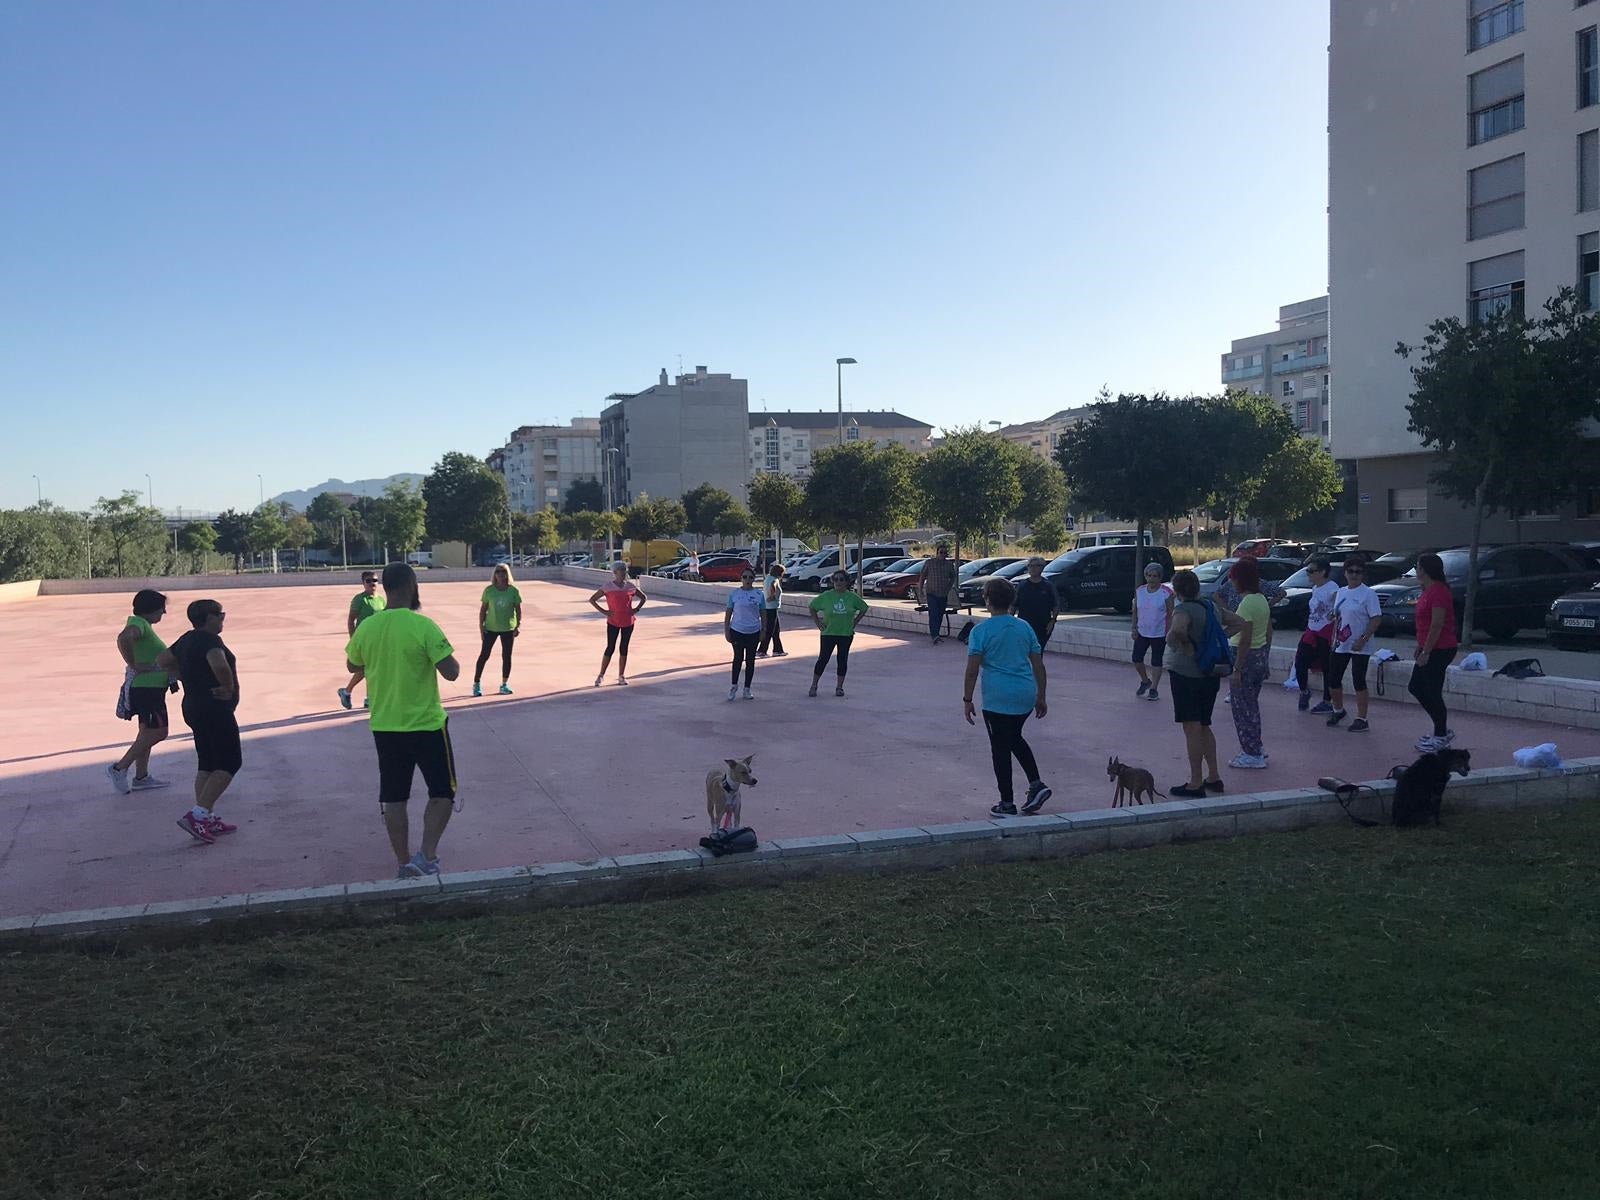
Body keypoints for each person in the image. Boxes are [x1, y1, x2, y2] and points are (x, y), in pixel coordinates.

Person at [345, 562, 462, 879]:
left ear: (384, 587)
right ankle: (428, 855)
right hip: (427, 725)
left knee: (394, 797)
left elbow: (351, 662)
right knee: (442, 791)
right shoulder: (423, 626)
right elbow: (451, 672)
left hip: (385, 726)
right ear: (412, 586)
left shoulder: (368, 627)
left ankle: (403, 861)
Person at [965, 576, 1052, 817]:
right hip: (1024, 693)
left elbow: (973, 669)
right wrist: (1041, 695)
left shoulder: (981, 631)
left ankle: (1007, 802)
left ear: (988, 601)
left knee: (1000, 748)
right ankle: (1036, 785)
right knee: (1014, 737)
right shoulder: (1024, 627)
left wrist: (967, 699)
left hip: (997, 698)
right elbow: (1038, 665)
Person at [157, 599, 241, 843]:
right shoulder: (209, 640)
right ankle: (199, 814)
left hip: (193, 705)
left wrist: (188, 676)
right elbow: (219, 664)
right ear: (209, 617)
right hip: (214, 708)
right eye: (220, 615)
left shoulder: (187, 638)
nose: (223, 618)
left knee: (208, 762)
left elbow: (163, 660)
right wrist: (227, 686)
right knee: (230, 761)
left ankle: (206, 816)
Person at [1165, 569, 1247, 799]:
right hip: (1210, 674)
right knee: (1204, 725)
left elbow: (1178, 631)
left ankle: (1194, 782)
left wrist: (1188, 647)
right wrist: (1216, 639)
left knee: (1191, 728)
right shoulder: (1211, 607)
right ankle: (1214, 776)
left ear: (1178, 590)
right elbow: (1239, 623)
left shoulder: (1183, 609)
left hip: (1186, 674)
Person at [107, 589, 174, 794]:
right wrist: (133, 663)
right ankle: (120, 768)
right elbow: (123, 638)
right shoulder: (138, 624)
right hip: (148, 689)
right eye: (162, 609)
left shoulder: (142, 624)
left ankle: (141, 777)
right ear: (151, 609)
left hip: (149, 688)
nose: (163, 613)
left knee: (146, 733)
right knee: (159, 731)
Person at [1225, 556, 1273, 769]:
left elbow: (1245, 637)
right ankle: (1257, 746)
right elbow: (1268, 631)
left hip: (1245, 657)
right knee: (1251, 705)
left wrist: (1236, 668)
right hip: (1259, 655)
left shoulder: (1246, 604)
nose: (1232, 583)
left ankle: (1251, 753)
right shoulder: (1261, 600)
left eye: (1233, 579)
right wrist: (1266, 658)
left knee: (1242, 708)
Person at [1408, 552, 1459, 751]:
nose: (1416, 570)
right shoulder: (1426, 590)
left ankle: (1440, 734)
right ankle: (1442, 729)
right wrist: (1420, 647)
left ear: (1426, 569)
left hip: (1441, 648)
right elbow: (1424, 623)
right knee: (1416, 687)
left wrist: (1426, 652)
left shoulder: (1438, 591)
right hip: (1428, 647)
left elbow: (1437, 624)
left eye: (1418, 566)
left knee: (1432, 691)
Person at [1327, 554, 1382, 733]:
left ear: (1363, 574)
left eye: (1358, 572)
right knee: (1333, 679)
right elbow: (1337, 615)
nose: (1354, 575)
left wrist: (1364, 638)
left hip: (1360, 645)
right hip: (1341, 643)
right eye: (1351, 571)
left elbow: (1376, 619)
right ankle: (1338, 710)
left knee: (1359, 680)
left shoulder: (1369, 593)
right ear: (1345, 573)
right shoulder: (1341, 593)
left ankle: (1362, 718)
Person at [808, 570, 870, 697]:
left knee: (842, 660)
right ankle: (814, 685)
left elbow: (864, 608)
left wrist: (855, 621)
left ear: (847, 582)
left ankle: (839, 687)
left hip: (845, 633)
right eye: (836, 579)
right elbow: (812, 606)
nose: (838, 582)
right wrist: (818, 622)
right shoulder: (826, 596)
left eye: (841, 579)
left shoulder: (852, 597)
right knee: (823, 659)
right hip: (828, 633)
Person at [590, 561, 645, 686]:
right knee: (610, 647)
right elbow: (592, 599)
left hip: (628, 622)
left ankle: (621, 676)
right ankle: (601, 675)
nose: (623, 572)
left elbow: (643, 597)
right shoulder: (608, 586)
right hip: (613, 621)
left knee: (623, 648)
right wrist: (604, 611)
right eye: (620, 570)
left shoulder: (630, 586)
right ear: (615, 572)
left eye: (624, 570)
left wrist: (636, 609)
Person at [1294, 557, 1338, 714]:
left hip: (1325, 632)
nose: (1308, 574)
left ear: (1323, 572)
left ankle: (1327, 701)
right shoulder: (1315, 588)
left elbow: (1338, 605)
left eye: (1311, 571)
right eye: (1308, 571)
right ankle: (1304, 691)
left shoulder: (1332, 587)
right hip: (1311, 630)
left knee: (1327, 668)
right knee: (1300, 662)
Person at [472, 565, 522, 697]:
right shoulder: (489, 591)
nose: (500, 574)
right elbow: (483, 609)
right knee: (484, 655)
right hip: (491, 628)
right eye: (498, 572)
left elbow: (518, 609)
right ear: (494, 575)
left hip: (507, 628)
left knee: (506, 656)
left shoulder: (513, 591)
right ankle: (476, 683)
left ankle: (504, 684)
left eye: (503, 572)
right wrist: (481, 627)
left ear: (507, 574)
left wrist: (518, 626)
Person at [338, 572, 384, 710]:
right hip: (363, 640)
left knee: (371, 668)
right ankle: (354, 693)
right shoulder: (360, 599)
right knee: (367, 668)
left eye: (375, 580)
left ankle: (350, 693)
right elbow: (351, 620)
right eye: (368, 581)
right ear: (363, 583)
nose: (372, 583)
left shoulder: (381, 600)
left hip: (377, 641)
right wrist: (353, 639)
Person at [1131, 561, 1173, 702]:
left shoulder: (1166, 593)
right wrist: (1134, 627)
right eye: (1149, 575)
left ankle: (1154, 688)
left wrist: (1170, 631)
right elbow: (1135, 610)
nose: (1151, 579)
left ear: (1160, 577)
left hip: (1159, 632)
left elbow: (1171, 612)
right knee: (1137, 658)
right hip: (1142, 631)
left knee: (1156, 660)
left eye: (1155, 576)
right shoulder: (1140, 591)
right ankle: (1145, 680)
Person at [724, 566, 765, 700]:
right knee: (738, 658)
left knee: (750, 660)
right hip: (737, 630)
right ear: (741, 579)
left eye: (750, 577)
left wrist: (763, 631)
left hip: (753, 631)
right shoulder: (735, 594)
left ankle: (747, 688)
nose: (747, 580)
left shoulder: (759, 595)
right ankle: (734, 685)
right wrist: (727, 630)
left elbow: (763, 614)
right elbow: (729, 613)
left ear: (754, 579)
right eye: (745, 577)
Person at [1011, 556, 1060, 654]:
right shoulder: (1022, 585)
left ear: (1042, 568)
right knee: (1025, 652)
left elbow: (1056, 605)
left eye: (1036, 566)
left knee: (1038, 651)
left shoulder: (1048, 586)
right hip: (1025, 625)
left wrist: (1053, 621)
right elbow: (1013, 605)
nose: (1033, 568)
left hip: (1043, 625)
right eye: (1030, 566)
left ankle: (1037, 669)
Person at [921, 543, 957, 644]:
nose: (943, 554)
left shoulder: (949, 565)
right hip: (931, 593)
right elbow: (922, 576)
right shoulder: (929, 563)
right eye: (941, 552)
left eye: (945, 553)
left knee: (940, 614)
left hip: (943, 594)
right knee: (933, 614)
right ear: (937, 553)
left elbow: (953, 577)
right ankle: (934, 635)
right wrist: (920, 589)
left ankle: (936, 633)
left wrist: (949, 587)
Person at [756, 562, 787, 657]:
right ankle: (762, 650)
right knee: (770, 630)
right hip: (772, 607)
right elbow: (773, 585)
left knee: (776, 630)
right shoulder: (775, 580)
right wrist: (772, 595)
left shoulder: (767, 578)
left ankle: (778, 649)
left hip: (768, 607)